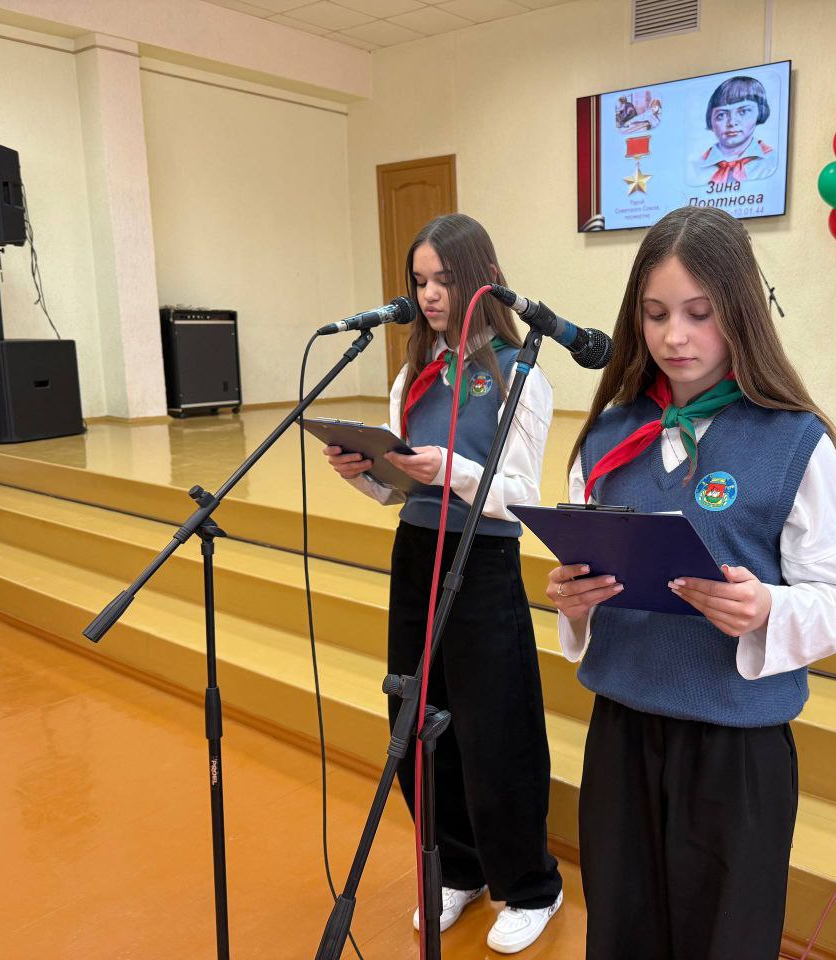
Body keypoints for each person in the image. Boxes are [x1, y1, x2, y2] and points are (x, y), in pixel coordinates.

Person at [546, 206, 836, 959]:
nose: (674, 337)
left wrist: (766, 608)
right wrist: (573, 602)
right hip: (623, 735)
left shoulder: (794, 440)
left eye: (699, 314)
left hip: (736, 749)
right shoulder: (608, 436)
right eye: (656, 314)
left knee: (723, 942)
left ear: (741, 313)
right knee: (622, 934)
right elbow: (582, 571)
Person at [324, 213, 563, 954]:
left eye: (443, 279)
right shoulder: (413, 373)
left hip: (484, 560)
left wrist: (449, 470)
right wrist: (364, 473)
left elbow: (520, 497)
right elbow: (399, 492)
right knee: (419, 716)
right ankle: (458, 866)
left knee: (497, 728)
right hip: (416, 553)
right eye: (419, 281)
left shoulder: (521, 375)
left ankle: (531, 884)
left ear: (481, 279)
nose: (429, 295)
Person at [687, 75, 779, 185]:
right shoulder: (694, 168)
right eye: (721, 115)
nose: (731, 122)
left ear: (760, 112)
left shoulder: (774, 162)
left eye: (743, 112)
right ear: (710, 119)